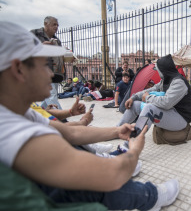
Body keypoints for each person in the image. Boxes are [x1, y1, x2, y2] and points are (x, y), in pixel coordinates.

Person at [0, 21, 179, 210]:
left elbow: (71, 133)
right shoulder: (10, 130)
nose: (51, 73)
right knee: (94, 185)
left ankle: (146, 193)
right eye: (44, 64)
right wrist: (134, 152)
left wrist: (118, 131)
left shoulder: (18, 111)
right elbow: (112, 174)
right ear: (19, 69)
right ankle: (150, 197)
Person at [117, 54, 191, 132]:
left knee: (149, 108)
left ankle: (136, 136)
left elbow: (166, 103)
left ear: (164, 70)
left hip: (181, 118)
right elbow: (151, 90)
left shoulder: (179, 83)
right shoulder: (165, 81)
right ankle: (117, 130)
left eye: (158, 70)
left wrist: (147, 98)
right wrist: (134, 97)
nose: (158, 72)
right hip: (170, 112)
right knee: (135, 104)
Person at [31, 16, 65, 110]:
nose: (56, 27)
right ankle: (62, 119)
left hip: (55, 72)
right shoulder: (34, 34)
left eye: (57, 25)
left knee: (49, 96)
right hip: (40, 72)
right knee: (51, 95)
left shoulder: (57, 40)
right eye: (54, 24)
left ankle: (42, 112)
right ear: (46, 24)